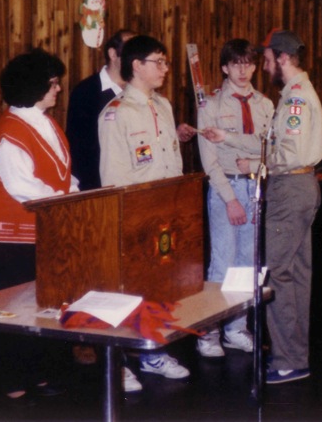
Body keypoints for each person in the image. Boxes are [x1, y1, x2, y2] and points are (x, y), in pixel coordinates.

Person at [201, 29, 322, 385]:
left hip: (289, 188)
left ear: (282, 58)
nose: (263, 66)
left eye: (267, 60)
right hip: (294, 187)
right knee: (295, 274)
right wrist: (230, 139)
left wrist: (256, 165)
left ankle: (288, 360)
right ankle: (293, 353)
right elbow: (270, 141)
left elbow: (288, 153)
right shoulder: (293, 94)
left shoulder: (295, 99)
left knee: (278, 276)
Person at [0, 48, 78, 399]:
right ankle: (13, 379)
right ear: (33, 86)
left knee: (43, 301)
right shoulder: (9, 131)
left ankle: (40, 371)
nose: (58, 88)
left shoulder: (45, 122)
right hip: (8, 230)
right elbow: (23, 187)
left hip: (43, 224)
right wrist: (68, 200)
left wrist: (78, 192)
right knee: (13, 304)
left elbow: (62, 175)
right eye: (53, 83)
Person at [98, 34, 192, 390]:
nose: (165, 68)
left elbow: (172, 161)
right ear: (136, 65)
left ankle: (152, 353)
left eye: (165, 62)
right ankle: (121, 361)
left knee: (159, 287)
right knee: (129, 289)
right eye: (159, 62)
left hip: (166, 212)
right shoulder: (116, 113)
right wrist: (126, 220)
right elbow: (113, 175)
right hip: (136, 214)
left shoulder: (163, 106)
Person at [195, 39, 274, 358]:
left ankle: (236, 328)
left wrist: (253, 162)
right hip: (224, 188)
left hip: (255, 186)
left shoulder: (265, 105)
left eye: (248, 64)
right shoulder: (210, 106)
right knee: (222, 261)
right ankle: (209, 332)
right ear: (225, 68)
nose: (243, 70)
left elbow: (270, 148)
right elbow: (209, 160)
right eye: (236, 64)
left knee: (247, 263)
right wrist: (230, 199)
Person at [66, 29, 135, 191]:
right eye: (131, 52)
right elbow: (80, 149)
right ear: (113, 54)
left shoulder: (137, 89)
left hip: (133, 179)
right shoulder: (86, 92)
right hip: (99, 184)